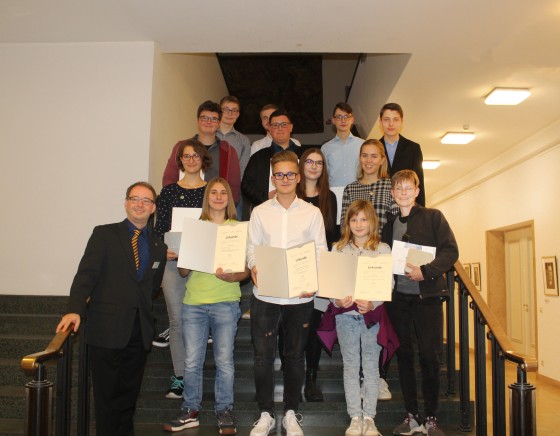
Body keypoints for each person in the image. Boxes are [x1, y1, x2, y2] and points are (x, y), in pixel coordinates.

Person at [56, 182, 167, 436]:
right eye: (134, 199)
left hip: (139, 332)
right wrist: (74, 309)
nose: (140, 204)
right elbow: (86, 275)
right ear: (126, 203)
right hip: (106, 329)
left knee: (129, 397)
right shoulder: (104, 234)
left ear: (153, 208)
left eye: (146, 201)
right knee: (106, 398)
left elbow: (152, 287)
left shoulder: (158, 246)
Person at [247, 151, 327, 436]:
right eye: (279, 174)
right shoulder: (260, 212)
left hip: (299, 297)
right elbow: (252, 247)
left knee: (295, 356)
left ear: (298, 177)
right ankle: (266, 414)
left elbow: (320, 251)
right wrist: (254, 265)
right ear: (273, 178)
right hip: (265, 296)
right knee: (262, 357)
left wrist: (313, 280)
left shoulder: (312, 212)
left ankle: (291, 413)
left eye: (290, 174)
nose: (284, 179)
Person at [163, 177, 249, 434]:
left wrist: (233, 276)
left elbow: (245, 271)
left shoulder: (237, 228)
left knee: (225, 361)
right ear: (207, 197)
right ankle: (190, 410)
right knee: (192, 361)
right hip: (194, 303)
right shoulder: (194, 228)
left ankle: (224, 410)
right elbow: (183, 272)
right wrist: (185, 258)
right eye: (214, 192)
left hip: (226, 301)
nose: (218, 196)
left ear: (229, 198)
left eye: (223, 192)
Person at [382, 170, 458, 436]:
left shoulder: (433, 217)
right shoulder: (389, 225)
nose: (403, 192)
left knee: (429, 356)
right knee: (404, 357)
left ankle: (432, 417)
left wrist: (425, 271)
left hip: (427, 299)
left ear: (417, 191)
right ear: (392, 193)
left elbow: (451, 251)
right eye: (398, 188)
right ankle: (412, 415)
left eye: (408, 188)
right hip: (399, 300)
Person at [154, 139, 210, 399]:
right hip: (172, 263)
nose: (191, 160)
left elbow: (217, 226)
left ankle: (195, 375)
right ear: (180, 161)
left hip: (202, 264)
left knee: (199, 320)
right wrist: (162, 250)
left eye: (195, 155)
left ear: (203, 159)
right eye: (186, 156)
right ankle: (180, 377)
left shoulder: (212, 191)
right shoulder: (167, 192)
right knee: (177, 320)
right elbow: (159, 230)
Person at [329, 200, 391, 436]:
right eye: (354, 219)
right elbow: (331, 284)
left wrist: (373, 303)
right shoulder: (338, 249)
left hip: (371, 318)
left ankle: (370, 419)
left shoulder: (382, 249)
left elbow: (388, 284)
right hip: (346, 318)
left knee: (372, 368)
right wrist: (337, 300)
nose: (358, 224)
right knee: (351, 367)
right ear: (347, 223)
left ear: (372, 221)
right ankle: (355, 417)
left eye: (363, 219)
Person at [296, 148, 338, 402]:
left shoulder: (329, 197)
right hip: (294, 268)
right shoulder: (291, 193)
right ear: (301, 165)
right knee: (290, 326)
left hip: (320, 270)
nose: (313, 166)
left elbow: (332, 234)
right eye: (309, 161)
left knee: (314, 326)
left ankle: (311, 378)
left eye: (319, 163)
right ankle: (293, 374)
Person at [162, 100, 241, 204]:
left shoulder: (229, 151)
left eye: (214, 119)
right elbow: (169, 178)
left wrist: (226, 208)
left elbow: (234, 186)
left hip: (216, 207)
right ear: (198, 121)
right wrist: (174, 202)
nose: (209, 122)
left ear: (219, 123)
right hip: (184, 205)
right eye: (204, 118)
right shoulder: (181, 147)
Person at [242, 109, 304, 209]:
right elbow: (246, 185)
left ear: (291, 127)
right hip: (267, 210)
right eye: (275, 125)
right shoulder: (258, 157)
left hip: (300, 209)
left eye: (284, 124)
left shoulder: (304, 155)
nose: (280, 128)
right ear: (270, 129)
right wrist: (265, 197)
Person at [340, 139, 398, 232]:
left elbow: (397, 222)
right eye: (364, 156)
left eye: (374, 156)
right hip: (357, 241)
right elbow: (344, 224)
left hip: (384, 240)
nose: (368, 160)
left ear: (382, 160)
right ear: (360, 158)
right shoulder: (350, 189)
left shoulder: (392, 186)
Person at [378, 103, 425, 206]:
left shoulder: (413, 148)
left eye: (395, 119)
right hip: (381, 207)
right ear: (380, 122)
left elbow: (419, 182)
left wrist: (420, 210)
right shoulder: (374, 149)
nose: (391, 124)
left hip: (406, 206)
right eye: (386, 119)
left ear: (402, 122)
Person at [321, 102, 365, 188]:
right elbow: (323, 175)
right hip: (333, 192)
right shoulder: (325, 148)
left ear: (352, 119)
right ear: (333, 120)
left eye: (346, 116)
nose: (343, 120)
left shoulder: (362, 145)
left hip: (357, 191)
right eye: (339, 117)